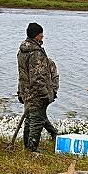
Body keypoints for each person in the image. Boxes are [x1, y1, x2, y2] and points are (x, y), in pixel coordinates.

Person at [17, 22, 59, 151]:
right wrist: (44, 94)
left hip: (26, 91)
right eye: (41, 35)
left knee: (30, 119)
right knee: (36, 121)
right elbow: (37, 77)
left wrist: (20, 91)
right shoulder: (36, 53)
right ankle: (32, 149)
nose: (43, 37)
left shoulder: (22, 51)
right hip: (36, 93)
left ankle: (27, 147)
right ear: (37, 36)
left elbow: (22, 74)